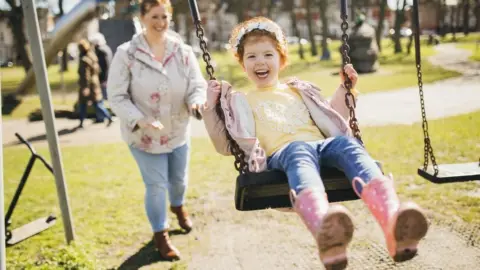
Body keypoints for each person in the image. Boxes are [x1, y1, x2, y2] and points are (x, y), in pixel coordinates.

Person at [203, 17, 428, 269]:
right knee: (298, 150)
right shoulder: (240, 101)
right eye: (252, 57)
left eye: (268, 54)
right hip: (283, 154)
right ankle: (325, 228)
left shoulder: (299, 90)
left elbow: (332, 117)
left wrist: (346, 90)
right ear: (243, 65)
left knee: (347, 145)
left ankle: (392, 220)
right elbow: (225, 146)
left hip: (322, 146)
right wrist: (211, 109)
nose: (260, 62)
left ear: (281, 60)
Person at [107, 0, 206, 261]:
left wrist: (196, 100)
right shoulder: (126, 54)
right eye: (154, 16)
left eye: (164, 16)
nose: (160, 22)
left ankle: (178, 206)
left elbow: (197, 84)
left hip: (177, 130)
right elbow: (116, 96)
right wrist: (139, 119)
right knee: (156, 185)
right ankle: (160, 236)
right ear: (142, 17)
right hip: (144, 136)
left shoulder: (183, 51)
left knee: (179, 180)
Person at [77, 39, 113, 128]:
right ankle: (107, 117)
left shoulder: (84, 60)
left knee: (86, 104)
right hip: (95, 83)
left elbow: (85, 75)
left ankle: (107, 117)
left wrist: (85, 87)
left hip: (88, 85)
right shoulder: (92, 56)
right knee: (97, 103)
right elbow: (98, 70)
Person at [89, 33, 113, 123]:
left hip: (103, 78)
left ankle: (107, 116)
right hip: (106, 77)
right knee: (100, 99)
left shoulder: (101, 51)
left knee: (99, 99)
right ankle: (100, 117)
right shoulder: (106, 49)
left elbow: (104, 66)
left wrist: (103, 79)